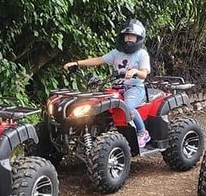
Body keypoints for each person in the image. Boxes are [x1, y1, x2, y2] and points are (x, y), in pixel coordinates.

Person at [63, 19, 152, 147]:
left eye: (132, 37)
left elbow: (144, 74)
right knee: (99, 106)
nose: (128, 39)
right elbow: (98, 60)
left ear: (138, 38)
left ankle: (142, 132)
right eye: (126, 36)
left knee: (128, 107)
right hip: (117, 88)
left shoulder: (142, 54)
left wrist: (135, 71)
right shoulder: (116, 53)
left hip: (134, 88)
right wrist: (77, 63)